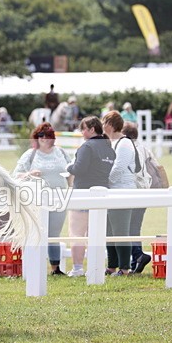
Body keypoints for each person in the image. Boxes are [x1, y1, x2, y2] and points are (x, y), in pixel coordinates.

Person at [13, 123, 72, 275]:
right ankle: (33, 267)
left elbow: (71, 171)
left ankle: (55, 267)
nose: (45, 139)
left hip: (59, 197)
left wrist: (71, 188)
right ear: (37, 138)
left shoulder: (61, 152)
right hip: (37, 199)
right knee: (36, 232)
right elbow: (15, 175)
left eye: (48, 136)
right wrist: (29, 174)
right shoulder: (30, 154)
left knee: (54, 233)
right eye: (42, 136)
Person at [65, 116, 115, 277]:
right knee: (96, 234)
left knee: (77, 233)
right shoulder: (109, 148)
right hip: (102, 194)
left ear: (92, 129)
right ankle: (95, 266)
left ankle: (78, 268)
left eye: (84, 129)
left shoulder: (87, 147)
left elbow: (79, 169)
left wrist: (69, 167)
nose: (82, 132)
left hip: (83, 193)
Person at [102, 111, 136, 276]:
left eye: (104, 122)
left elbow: (118, 168)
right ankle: (112, 265)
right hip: (111, 192)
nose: (102, 126)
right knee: (109, 230)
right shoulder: (111, 143)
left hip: (122, 191)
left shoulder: (124, 143)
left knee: (121, 230)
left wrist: (105, 181)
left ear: (110, 124)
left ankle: (124, 267)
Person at [122, 122, 153, 274]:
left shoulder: (125, 148)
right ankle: (136, 261)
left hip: (132, 191)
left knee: (127, 228)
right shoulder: (145, 148)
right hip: (145, 191)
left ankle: (138, 256)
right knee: (135, 227)